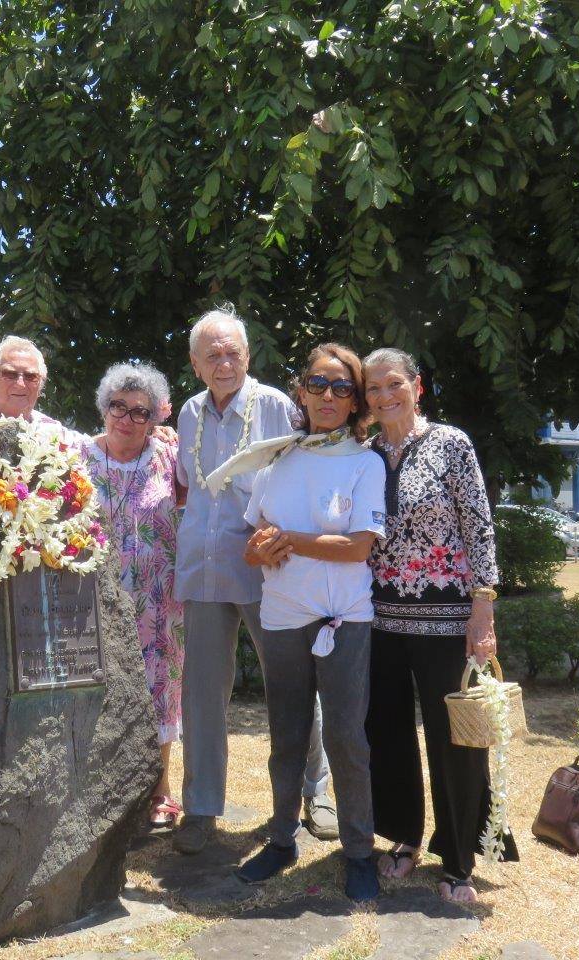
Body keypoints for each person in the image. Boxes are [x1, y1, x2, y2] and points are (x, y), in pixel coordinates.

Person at [220, 344, 384, 901]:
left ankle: (359, 851)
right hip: (283, 616)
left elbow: (360, 546)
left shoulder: (365, 462)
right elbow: (253, 538)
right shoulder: (276, 460)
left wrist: (292, 541)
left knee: (345, 736)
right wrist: (258, 552)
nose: (329, 396)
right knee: (286, 734)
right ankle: (281, 839)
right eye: (319, 384)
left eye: (343, 388)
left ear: (356, 400)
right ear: (303, 390)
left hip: (344, 619)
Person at [172, 306, 336, 855]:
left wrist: (276, 534)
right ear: (196, 364)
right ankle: (200, 808)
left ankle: (317, 795)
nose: (225, 362)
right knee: (199, 695)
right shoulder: (189, 415)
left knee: (291, 687)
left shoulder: (275, 407)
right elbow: (186, 488)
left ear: (248, 357)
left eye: (233, 352)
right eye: (213, 353)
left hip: (267, 571)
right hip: (202, 568)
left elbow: (302, 477)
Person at [361, 347, 518, 904]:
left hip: (448, 619)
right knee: (388, 731)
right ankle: (405, 836)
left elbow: (480, 527)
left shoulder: (451, 444)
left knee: (457, 740)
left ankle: (457, 859)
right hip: (378, 617)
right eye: (374, 388)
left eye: (394, 384)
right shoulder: (364, 452)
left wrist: (484, 609)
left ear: (417, 387)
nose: (384, 396)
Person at [83, 362, 184, 828]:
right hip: (93, 601)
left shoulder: (169, 456)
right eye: (118, 406)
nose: (126, 418)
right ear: (105, 408)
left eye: (139, 412)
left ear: (155, 418)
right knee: (98, 688)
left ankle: (161, 788)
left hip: (159, 600)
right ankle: (100, 787)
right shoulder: (75, 457)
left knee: (160, 689)